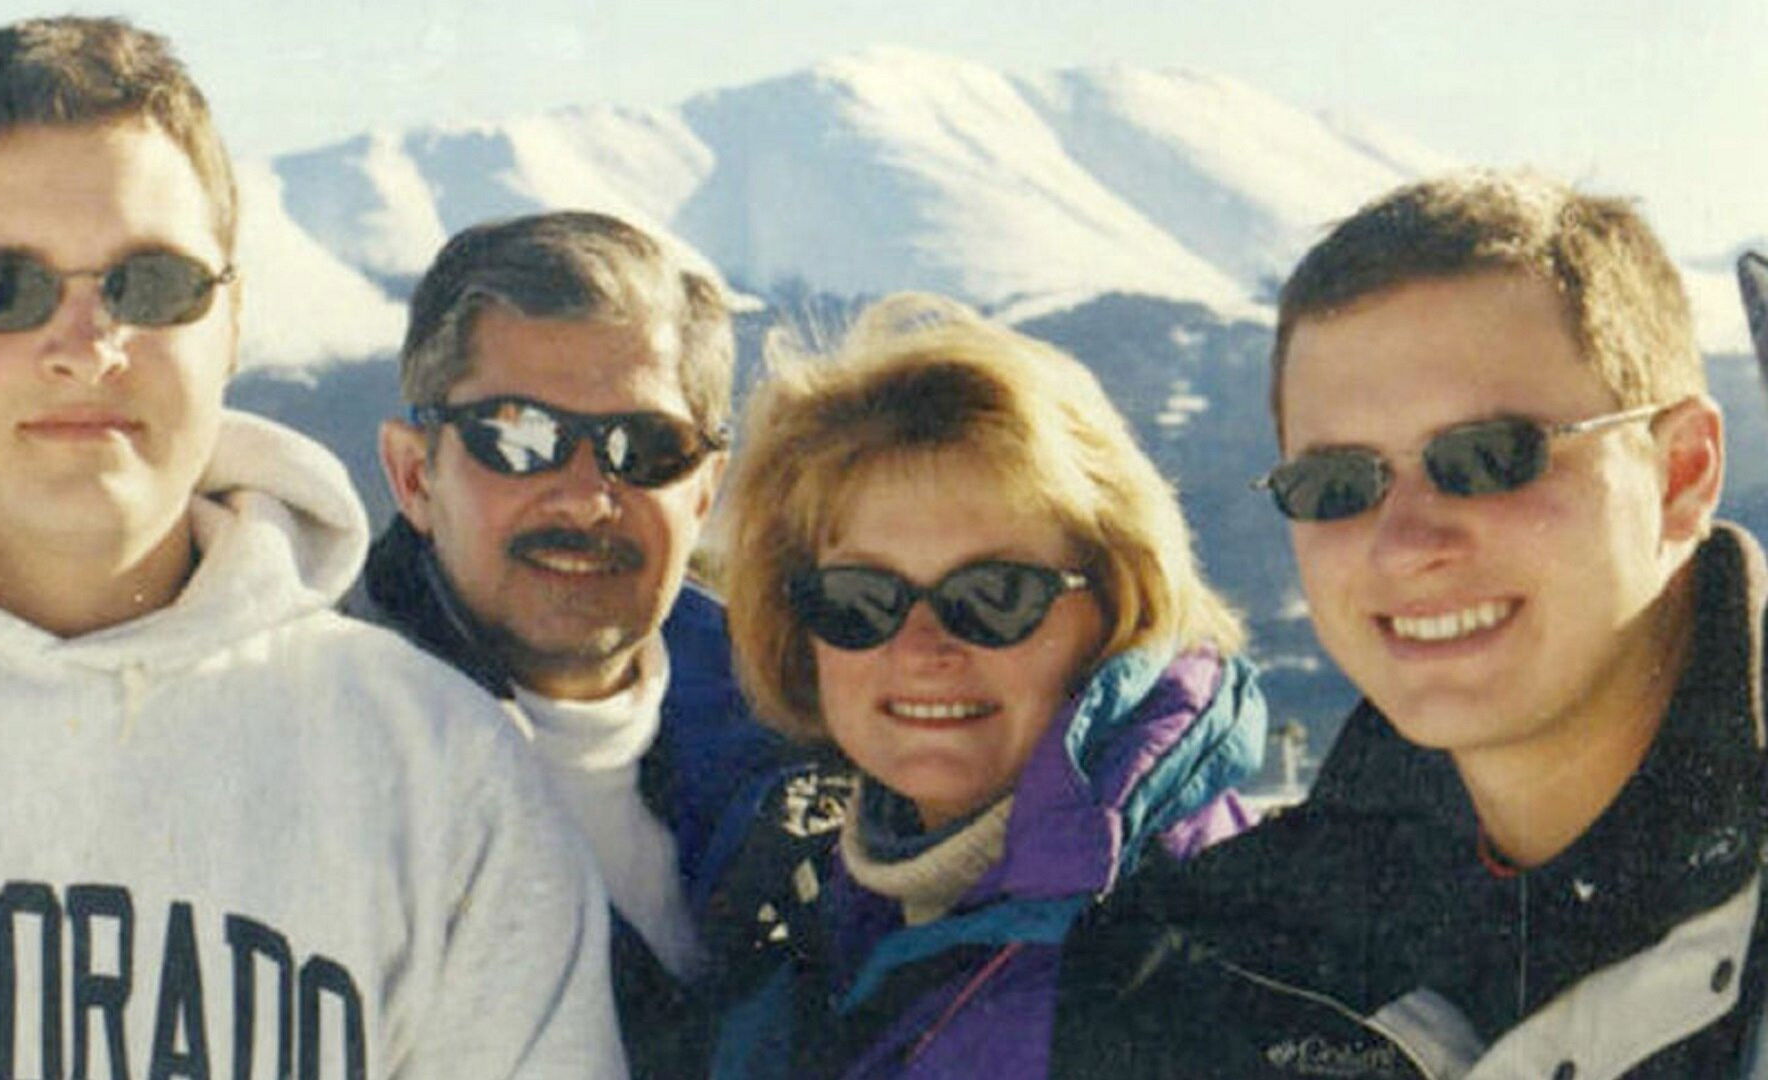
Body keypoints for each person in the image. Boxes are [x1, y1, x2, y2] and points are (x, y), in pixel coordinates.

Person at [0, 18, 621, 1078]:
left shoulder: (434, 770)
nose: (87, 349)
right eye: (2, 288)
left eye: (151, 285)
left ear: (231, 321)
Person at [1052, 171, 1754, 1078]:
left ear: (1682, 474)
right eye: (1337, 484)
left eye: (1490, 458)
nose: (1406, 543)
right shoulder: (1203, 965)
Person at [708, 293, 1266, 1077]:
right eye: (861, 600)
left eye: (995, 596)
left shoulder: (1166, 955)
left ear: (1119, 606)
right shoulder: (841, 907)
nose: (921, 648)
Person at [347, 211, 846, 1075]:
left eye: (644, 448)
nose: (584, 497)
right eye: (519, 437)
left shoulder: (822, 740)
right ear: (414, 475)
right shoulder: (308, 752)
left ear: (705, 492)